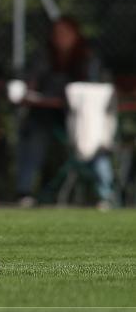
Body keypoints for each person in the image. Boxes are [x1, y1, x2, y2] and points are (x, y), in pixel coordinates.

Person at [14, 16, 109, 206]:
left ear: (76, 35)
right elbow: (30, 81)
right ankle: (25, 191)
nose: (61, 38)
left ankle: (105, 194)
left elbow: (94, 88)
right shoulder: (43, 57)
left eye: (66, 33)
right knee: (34, 134)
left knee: (94, 138)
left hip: (79, 116)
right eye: (57, 34)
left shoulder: (87, 57)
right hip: (46, 114)